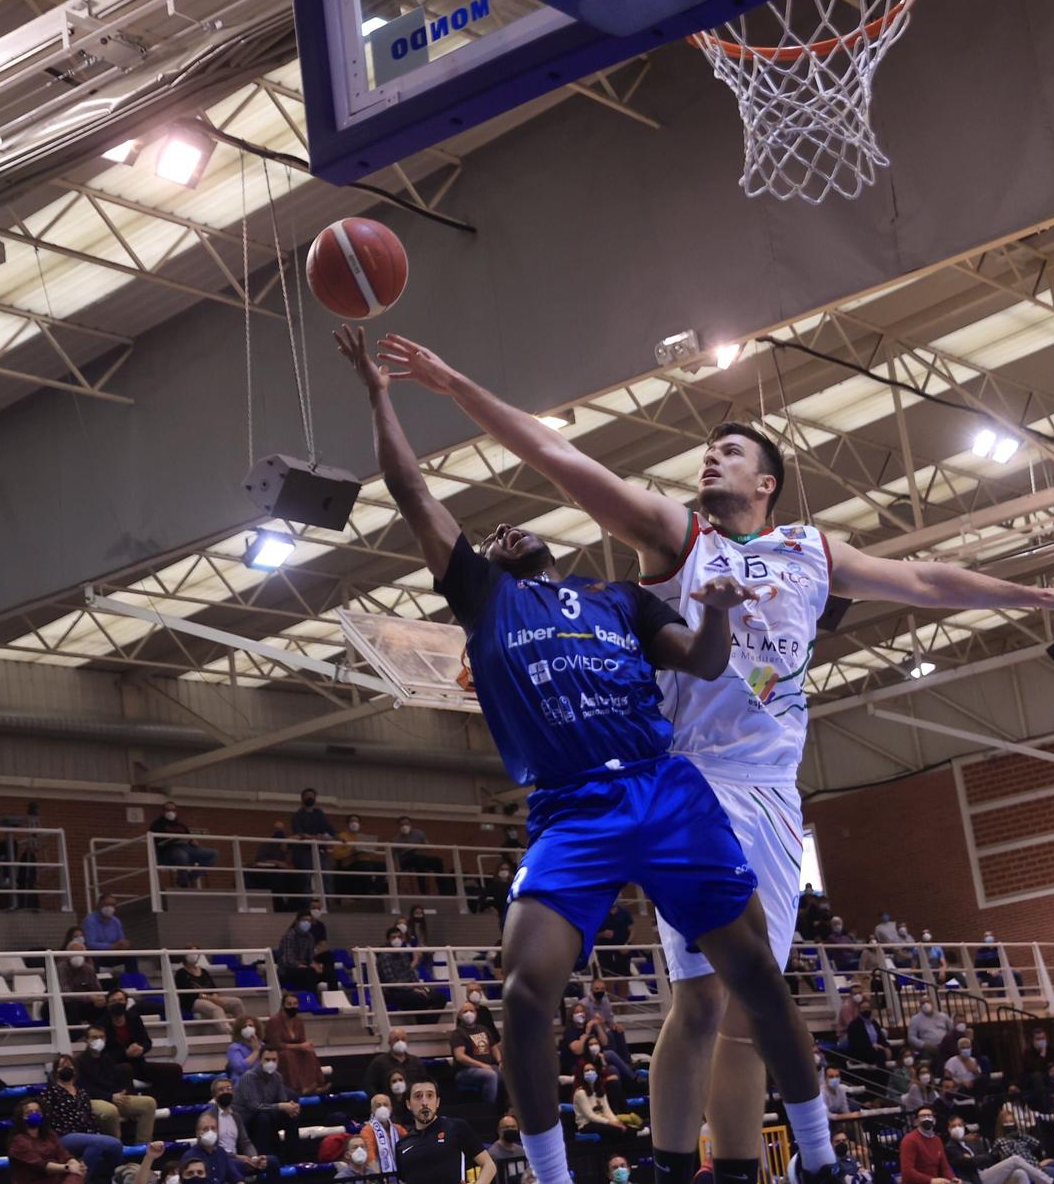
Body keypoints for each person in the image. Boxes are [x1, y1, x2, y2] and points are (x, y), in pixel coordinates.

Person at [373, 335, 1054, 1184]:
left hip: (771, 790)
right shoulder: (676, 537)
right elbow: (556, 457)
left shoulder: (812, 552)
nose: (708, 458)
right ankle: (691, 1166)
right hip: (684, 779)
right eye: (706, 450)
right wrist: (450, 379)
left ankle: (731, 1166)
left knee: (736, 1001)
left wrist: (1032, 594)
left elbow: (927, 579)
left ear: (765, 481)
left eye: (727, 450)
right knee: (710, 999)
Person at [340, 324, 864, 1184]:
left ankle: (819, 1160)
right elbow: (410, 491)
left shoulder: (617, 597)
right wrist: (379, 394)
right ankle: (554, 1175)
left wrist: (725, 609)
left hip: (665, 792)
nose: (507, 531)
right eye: (496, 536)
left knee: (755, 977)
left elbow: (700, 659)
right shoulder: (486, 602)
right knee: (522, 989)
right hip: (571, 807)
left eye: (520, 529)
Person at [391, 1078, 498, 1184]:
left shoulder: (456, 1127)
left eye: (430, 1095)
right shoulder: (402, 1145)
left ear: (437, 1102)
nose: (424, 1102)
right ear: (409, 1104)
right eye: (418, 1096)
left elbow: (489, 1165)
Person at [40, 1051, 126, 1177]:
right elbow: (46, 1121)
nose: (66, 1069)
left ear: (75, 1071)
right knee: (96, 1143)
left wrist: (96, 1133)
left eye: (69, 1066)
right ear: (56, 1071)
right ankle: (79, 1180)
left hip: (87, 1135)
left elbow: (89, 1118)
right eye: (62, 1066)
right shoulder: (49, 1093)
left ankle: (109, 1179)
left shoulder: (82, 1093)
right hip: (64, 1135)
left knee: (115, 1145)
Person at [73, 1023, 159, 1145]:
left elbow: (114, 1079)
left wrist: (120, 1093)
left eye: (101, 1037)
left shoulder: (107, 1058)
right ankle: (116, 1146)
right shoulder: (78, 1062)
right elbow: (84, 1089)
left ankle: (143, 1145)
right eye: (94, 1037)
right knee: (111, 1110)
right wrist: (110, 1097)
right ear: (86, 1041)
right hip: (91, 1100)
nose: (98, 1040)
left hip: (112, 1097)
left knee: (149, 1103)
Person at [98, 989, 185, 1103]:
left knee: (175, 1070)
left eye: (121, 1000)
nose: (118, 1003)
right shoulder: (101, 1025)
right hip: (116, 1068)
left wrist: (142, 1048)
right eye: (114, 1001)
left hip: (138, 1064)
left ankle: (158, 1103)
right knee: (126, 1069)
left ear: (126, 1002)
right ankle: (133, 1110)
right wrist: (125, 1053)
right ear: (107, 1004)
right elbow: (102, 1055)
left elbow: (147, 1042)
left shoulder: (134, 1018)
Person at [10, 1094, 115, 1184]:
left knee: (78, 1174)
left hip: (57, 1178)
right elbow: (42, 1166)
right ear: (21, 1117)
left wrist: (75, 1164)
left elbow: (63, 1153)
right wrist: (68, 1168)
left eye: (37, 1111)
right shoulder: (19, 1142)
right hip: (36, 1180)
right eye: (29, 1112)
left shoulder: (49, 1134)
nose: (34, 1115)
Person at [234, 1041, 302, 1157]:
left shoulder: (277, 1077)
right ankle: (262, 1159)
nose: (271, 1063)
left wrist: (291, 1107)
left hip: (267, 1113)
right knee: (263, 1118)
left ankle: (293, 1158)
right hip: (247, 1119)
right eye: (267, 1059)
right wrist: (281, 1106)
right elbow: (254, 1107)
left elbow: (282, 1100)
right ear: (260, 1060)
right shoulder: (248, 1078)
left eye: (274, 1060)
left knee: (292, 1115)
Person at [981, 1106, 1054, 1184]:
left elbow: (1036, 1143)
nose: (1010, 1124)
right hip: (1024, 1170)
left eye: (1011, 1121)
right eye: (1006, 1122)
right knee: (1049, 1172)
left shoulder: (1021, 1138)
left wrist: (1020, 1136)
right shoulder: (1000, 1141)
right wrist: (1010, 1141)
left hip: (1037, 1167)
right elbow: (1009, 1156)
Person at [265, 990, 327, 1095]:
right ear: (283, 1006)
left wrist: (306, 1046)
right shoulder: (274, 1021)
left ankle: (316, 1085)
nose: (292, 1007)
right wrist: (299, 1046)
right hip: (278, 1051)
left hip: (295, 1050)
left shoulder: (298, 1021)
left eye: (295, 1004)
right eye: (289, 1004)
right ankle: (298, 1088)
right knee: (288, 1056)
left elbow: (302, 1040)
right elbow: (276, 1044)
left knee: (309, 1053)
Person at [151, 801, 218, 890]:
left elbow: (189, 837)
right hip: (170, 850)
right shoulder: (157, 824)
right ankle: (183, 881)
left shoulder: (181, 825)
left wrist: (193, 841)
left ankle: (188, 878)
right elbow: (157, 842)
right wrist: (173, 839)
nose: (171, 812)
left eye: (173, 810)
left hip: (187, 848)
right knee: (181, 855)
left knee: (213, 854)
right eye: (168, 810)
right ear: (163, 811)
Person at [449, 998, 503, 1105]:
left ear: (476, 1013)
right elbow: (460, 1056)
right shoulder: (458, 1033)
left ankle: (505, 1108)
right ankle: (489, 1108)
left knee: (506, 1074)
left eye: (471, 1011)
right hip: (465, 1071)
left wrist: (500, 1061)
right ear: (460, 1016)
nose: (469, 1013)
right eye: (465, 1011)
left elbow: (494, 1047)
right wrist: (482, 1065)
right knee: (491, 1075)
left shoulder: (483, 1029)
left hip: (488, 1067)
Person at [574, 1062, 644, 1139]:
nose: (590, 1072)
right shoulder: (580, 1093)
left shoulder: (600, 1091)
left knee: (621, 1125)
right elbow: (590, 1116)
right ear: (582, 1075)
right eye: (586, 1071)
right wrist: (610, 1122)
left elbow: (607, 1111)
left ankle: (638, 1132)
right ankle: (637, 1133)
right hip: (586, 1125)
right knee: (615, 1129)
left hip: (602, 1120)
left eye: (592, 1070)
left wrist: (615, 1121)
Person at [175, 948, 246, 1021]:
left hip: (211, 998)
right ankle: (227, 1031)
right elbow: (192, 994)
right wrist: (210, 998)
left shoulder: (203, 971)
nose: (194, 955)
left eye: (196, 953)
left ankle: (241, 1027)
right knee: (217, 1009)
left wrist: (215, 996)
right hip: (194, 1001)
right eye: (191, 953)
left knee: (236, 1002)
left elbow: (213, 988)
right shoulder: (181, 973)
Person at [365, 1026, 428, 1100]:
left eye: (403, 1039)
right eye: (396, 1040)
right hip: (389, 1105)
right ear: (389, 1043)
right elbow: (369, 1085)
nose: (400, 1042)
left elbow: (425, 1083)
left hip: (412, 1103)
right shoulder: (379, 1062)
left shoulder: (416, 1062)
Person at [274, 910, 327, 994]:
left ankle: (334, 997)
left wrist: (315, 965)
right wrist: (302, 966)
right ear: (297, 921)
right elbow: (288, 960)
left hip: (303, 968)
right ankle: (313, 1001)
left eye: (309, 921)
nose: (307, 923)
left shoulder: (310, 937)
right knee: (310, 973)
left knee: (328, 970)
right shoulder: (289, 936)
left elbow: (309, 958)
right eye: (304, 920)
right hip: (288, 970)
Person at [393, 816, 444, 895]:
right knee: (417, 860)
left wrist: (427, 844)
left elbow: (427, 846)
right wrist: (397, 866)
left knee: (438, 861)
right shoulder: (397, 839)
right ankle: (422, 890)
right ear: (399, 826)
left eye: (406, 823)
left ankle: (443, 890)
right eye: (402, 824)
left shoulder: (419, 833)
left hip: (420, 856)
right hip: (406, 859)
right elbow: (395, 854)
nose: (404, 826)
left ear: (410, 824)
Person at [487, 1115, 528, 1184]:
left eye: (513, 1127)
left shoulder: (521, 1151)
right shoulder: (492, 1153)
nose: (510, 1129)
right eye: (506, 1127)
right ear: (499, 1130)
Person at [226, 1015, 264, 1080]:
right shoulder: (234, 1048)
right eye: (244, 1027)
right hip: (242, 1084)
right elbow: (241, 1068)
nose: (248, 1028)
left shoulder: (263, 1045)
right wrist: (256, 1051)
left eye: (251, 1025)